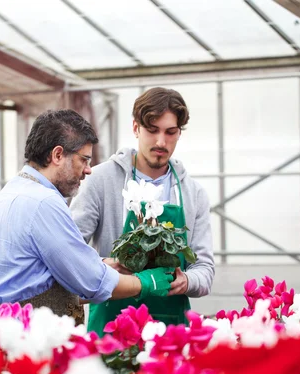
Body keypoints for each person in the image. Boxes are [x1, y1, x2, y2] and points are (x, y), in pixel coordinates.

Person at [0, 109, 175, 325]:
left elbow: (43, 271)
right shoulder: (43, 202)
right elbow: (91, 282)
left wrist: (103, 264)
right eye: (84, 160)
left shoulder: (14, 191)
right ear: (57, 155)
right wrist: (146, 282)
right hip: (21, 336)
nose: (88, 170)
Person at [70, 87, 215, 335]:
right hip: (112, 324)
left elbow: (205, 269)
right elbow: (69, 252)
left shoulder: (194, 193)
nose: (161, 142)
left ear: (179, 133)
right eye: (152, 130)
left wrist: (187, 281)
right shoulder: (102, 180)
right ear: (136, 128)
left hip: (170, 329)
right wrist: (106, 265)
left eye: (170, 132)